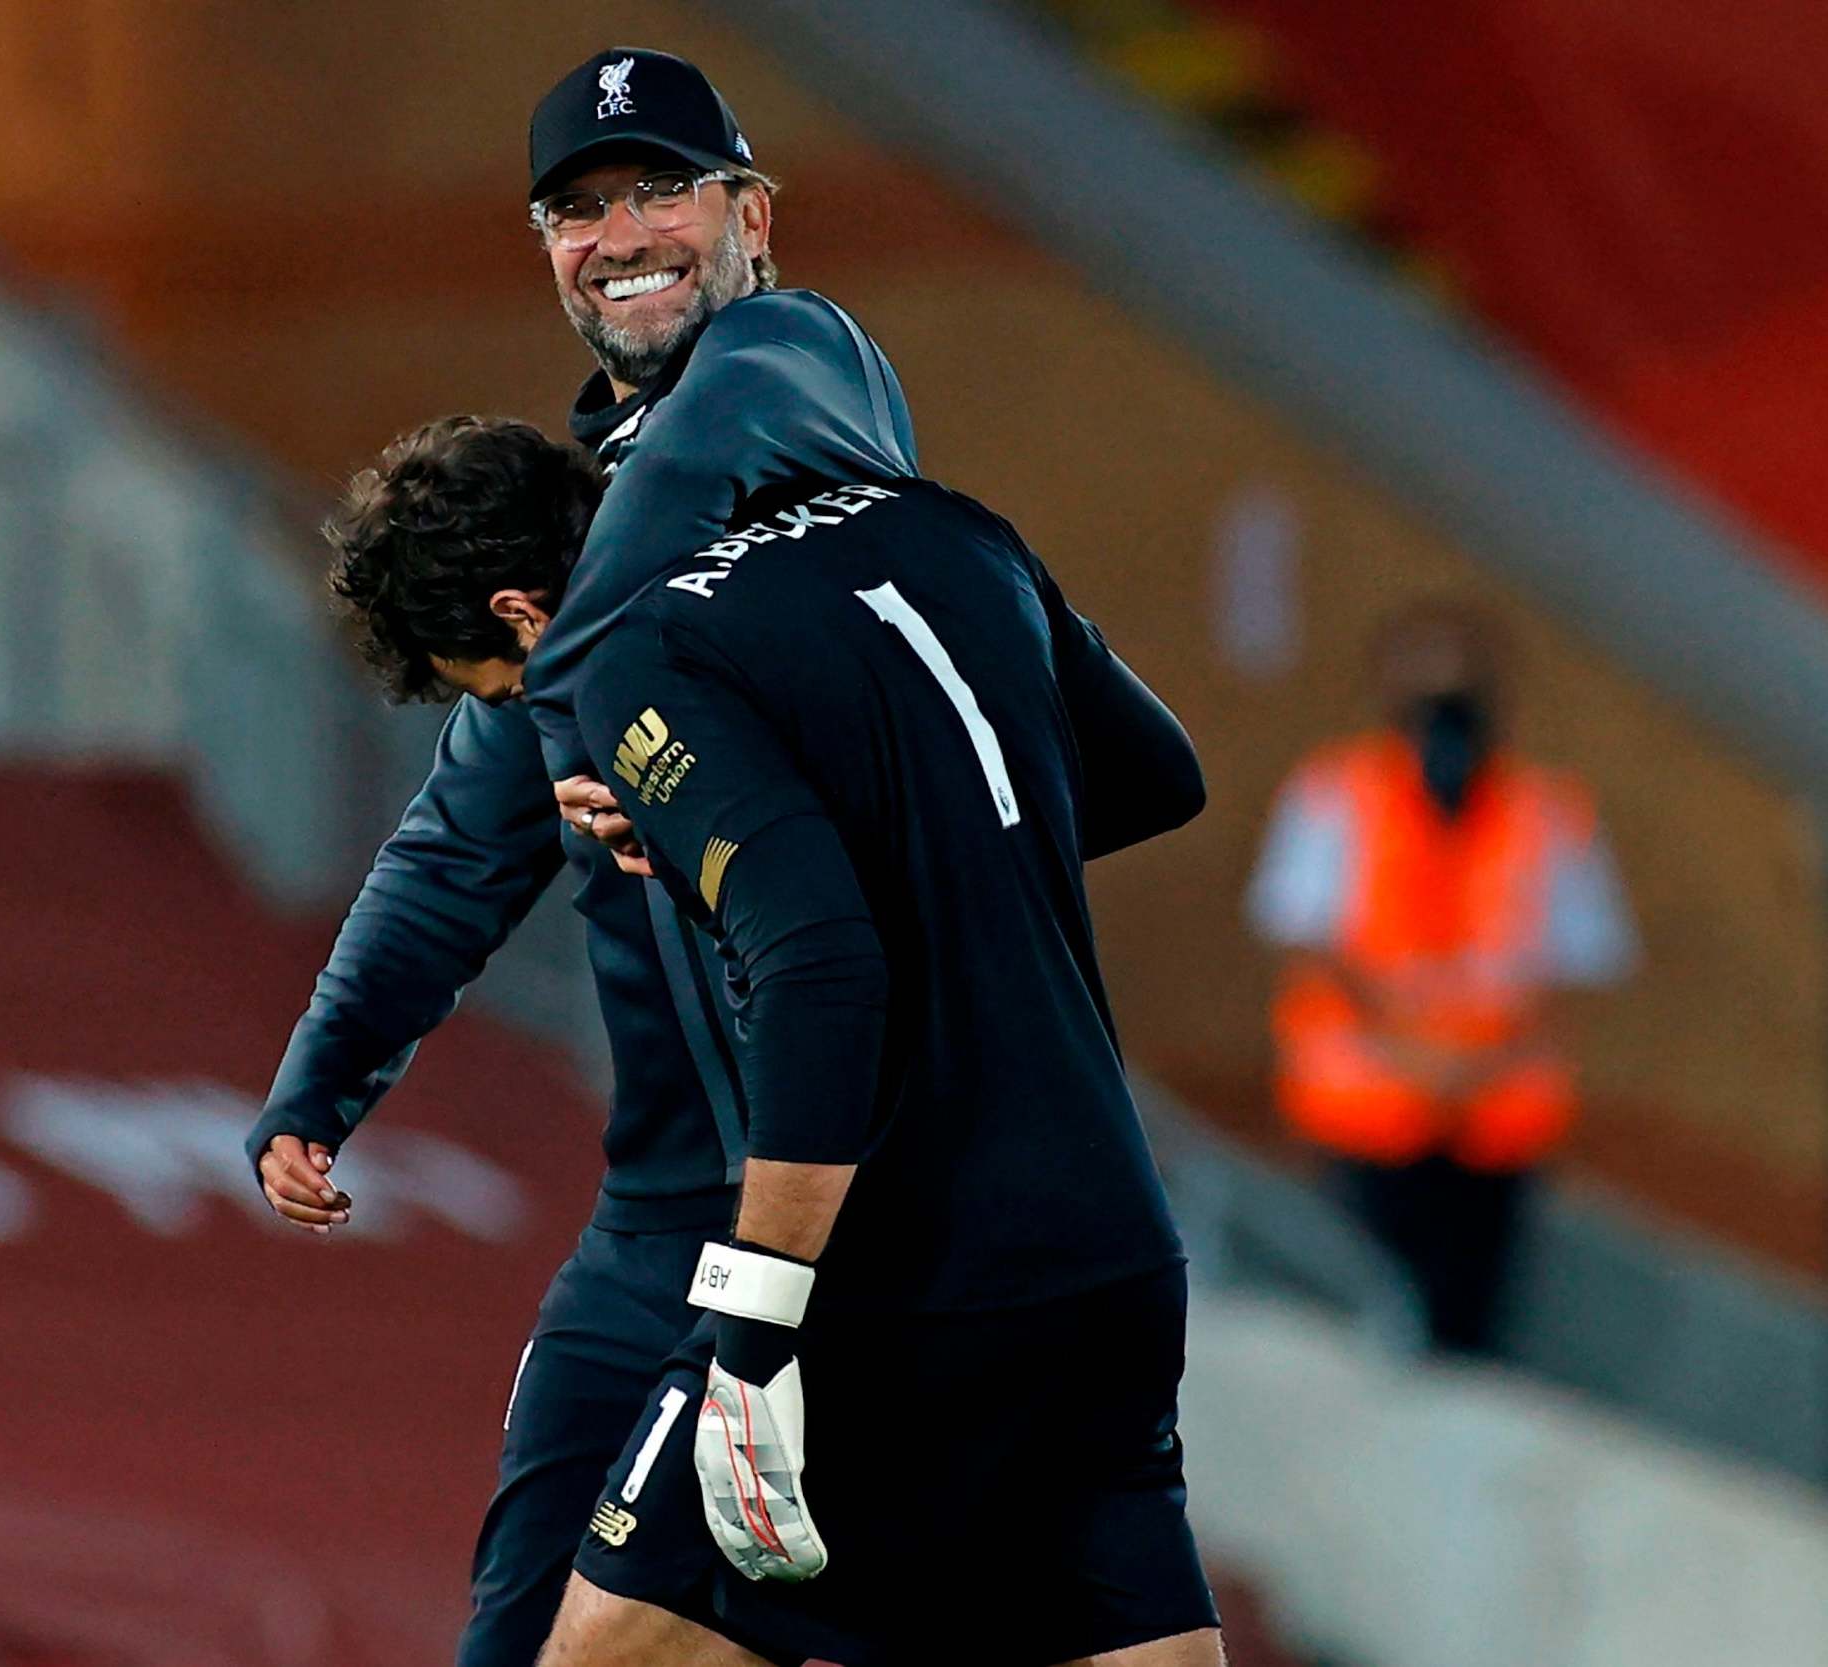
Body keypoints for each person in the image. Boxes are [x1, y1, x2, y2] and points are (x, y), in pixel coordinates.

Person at [328, 412, 1226, 1667]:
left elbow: (818, 962)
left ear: (528, 614)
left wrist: (752, 1332)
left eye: (510, 690)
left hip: (896, 1270)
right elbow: (1154, 775)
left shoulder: (641, 650)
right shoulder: (945, 527)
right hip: (1107, 1245)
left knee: (608, 1647)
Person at [246, 47, 917, 1667]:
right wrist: (315, 1086)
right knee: (513, 1625)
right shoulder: (578, 527)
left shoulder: (796, 367)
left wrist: (595, 662)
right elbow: (454, 847)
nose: (621, 234)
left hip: (833, 1198)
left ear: (753, 213)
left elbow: (700, 464)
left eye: (660, 192)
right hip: (658, 1208)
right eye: (578, 210)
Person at [1246, 601, 1639, 1352]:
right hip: (1363, 1117)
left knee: (1469, 1339)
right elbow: (1308, 942)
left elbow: (1579, 967)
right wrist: (1413, 1054)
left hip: (1495, 1128)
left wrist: (1476, 1065)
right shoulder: (1335, 795)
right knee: (1353, 1324)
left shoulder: (1547, 814)